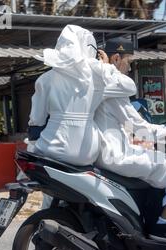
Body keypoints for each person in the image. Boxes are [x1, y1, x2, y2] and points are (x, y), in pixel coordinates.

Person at [94, 37, 166, 245]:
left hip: (103, 154)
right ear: (115, 58)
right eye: (128, 62)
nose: (130, 68)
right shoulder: (114, 90)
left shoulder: (96, 85)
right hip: (117, 156)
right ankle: (162, 226)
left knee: (155, 162)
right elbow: (141, 128)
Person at [28, 25, 137, 166]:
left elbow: (36, 120)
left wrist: (33, 141)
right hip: (88, 152)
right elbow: (130, 87)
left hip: (52, 147)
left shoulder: (45, 79)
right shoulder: (97, 76)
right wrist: (106, 67)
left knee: (31, 149)